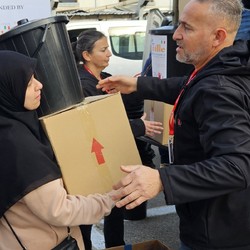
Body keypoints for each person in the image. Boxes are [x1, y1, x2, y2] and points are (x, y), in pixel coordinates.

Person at [97, 0, 250, 249]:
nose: (176, 34)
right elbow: (187, 88)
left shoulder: (218, 90)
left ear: (217, 36)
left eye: (187, 28)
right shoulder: (222, 66)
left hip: (217, 236)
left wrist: (161, 179)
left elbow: (237, 166)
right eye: (179, 24)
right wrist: (138, 85)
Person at [0, 50, 120, 250]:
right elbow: (59, 210)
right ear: (7, 90)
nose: (39, 85)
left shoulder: (11, 127)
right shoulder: (18, 145)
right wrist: (109, 199)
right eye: (28, 84)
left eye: (35, 78)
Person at [71, 29, 163, 249]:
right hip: (92, 154)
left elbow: (120, 111)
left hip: (109, 152)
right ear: (87, 55)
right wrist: (140, 125)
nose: (109, 54)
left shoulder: (104, 78)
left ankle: (115, 244)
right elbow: (99, 125)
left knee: (114, 201)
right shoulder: (83, 83)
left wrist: (134, 87)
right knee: (87, 208)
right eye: (103, 50)